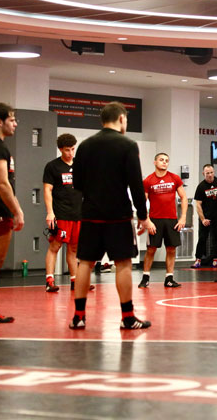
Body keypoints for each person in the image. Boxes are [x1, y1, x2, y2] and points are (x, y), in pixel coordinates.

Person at [70, 101, 155, 330]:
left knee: (85, 263)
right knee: (123, 263)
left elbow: (77, 183)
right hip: (118, 214)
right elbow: (136, 185)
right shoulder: (127, 145)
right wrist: (143, 215)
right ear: (120, 119)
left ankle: (79, 316)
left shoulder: (85, 146)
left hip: (91, 213)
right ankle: (127, 317)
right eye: (126, 120)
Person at [43, 133, 88, 293]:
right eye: (68, 150)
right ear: (61, 149)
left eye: (73, 149)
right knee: (55, 246)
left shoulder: (80, 165)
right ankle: (49, 280)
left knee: (74, 248)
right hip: (61, 213)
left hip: (79, 214)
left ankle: (75, 281)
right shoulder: (52, 166)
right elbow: (47, 190)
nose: (71, 153)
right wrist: (50, 213)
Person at [0, 103, 24, 323]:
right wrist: (17, 211)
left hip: (0, 211)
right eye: (12, 119)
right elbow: (2, 183)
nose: (15, 123)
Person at [139, 152, 187, 289]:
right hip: (155, 220)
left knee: (171, 249)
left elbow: (183, 197)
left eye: (166, 160)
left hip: (172, 220)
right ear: (155, 162)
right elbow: (143, 202)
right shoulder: (148, 180)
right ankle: (145, 277)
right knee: (151, 249)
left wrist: (183, 217)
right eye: (161, 160)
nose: (164, 162)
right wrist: (147, 220)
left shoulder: (174, 178)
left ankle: (169, 278)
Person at [191, 164, 217, 269]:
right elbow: (198, 205)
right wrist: (203, 219)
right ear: (203, 174)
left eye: (211, 172)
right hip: (206, 217)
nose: (210, 175)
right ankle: (198, 259)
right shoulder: (201, 187)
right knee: (202, 238)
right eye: (207, 173)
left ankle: (216, 260)